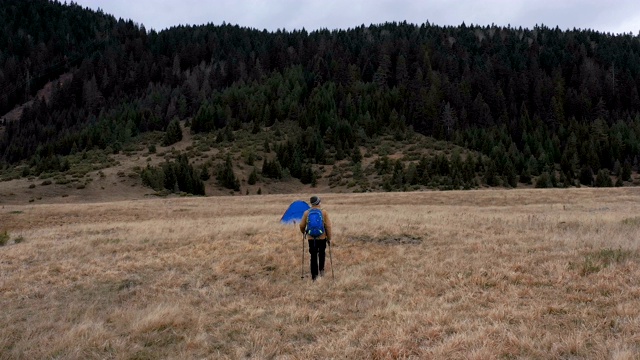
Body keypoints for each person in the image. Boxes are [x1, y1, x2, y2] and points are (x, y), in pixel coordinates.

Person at [299, 195, 332, 281]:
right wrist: (329, 237)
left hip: (311, 238)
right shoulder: (324, 212)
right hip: (322, 237)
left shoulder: (306, 212)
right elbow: (328, 226)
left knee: (313, 256)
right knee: (321, 254)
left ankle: (314, 275)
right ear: (318, 202)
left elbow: (301, 225)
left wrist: (304, 232)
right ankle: (321, 270)